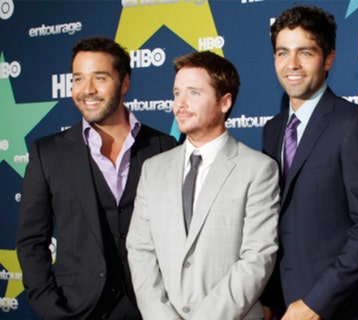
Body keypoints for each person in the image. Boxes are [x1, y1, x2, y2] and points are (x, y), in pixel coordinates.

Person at [16, 36, 177, 319]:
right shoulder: (48, 152)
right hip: (76, 309)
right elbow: (31, 241)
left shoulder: (163, 146)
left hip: (151, 309)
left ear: (124, 83)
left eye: (99, 78)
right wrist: (49, 305)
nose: (87, 90)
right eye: (78, 79)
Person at [126, 51, 280, 320]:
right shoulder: (153, 169)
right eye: (177, 93)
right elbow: (140, 250)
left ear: (224, 102)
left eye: (194, 93)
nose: (180, 104)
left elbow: (257, 258)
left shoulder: (257, 169)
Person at [260, 5, 358, 320]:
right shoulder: (273, 130)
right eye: (282, 53)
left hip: (338, 309)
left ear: (328, 58)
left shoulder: (353, 126)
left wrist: (317, 302)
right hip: (282, 307)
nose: (292, 65)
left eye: (305, 53)